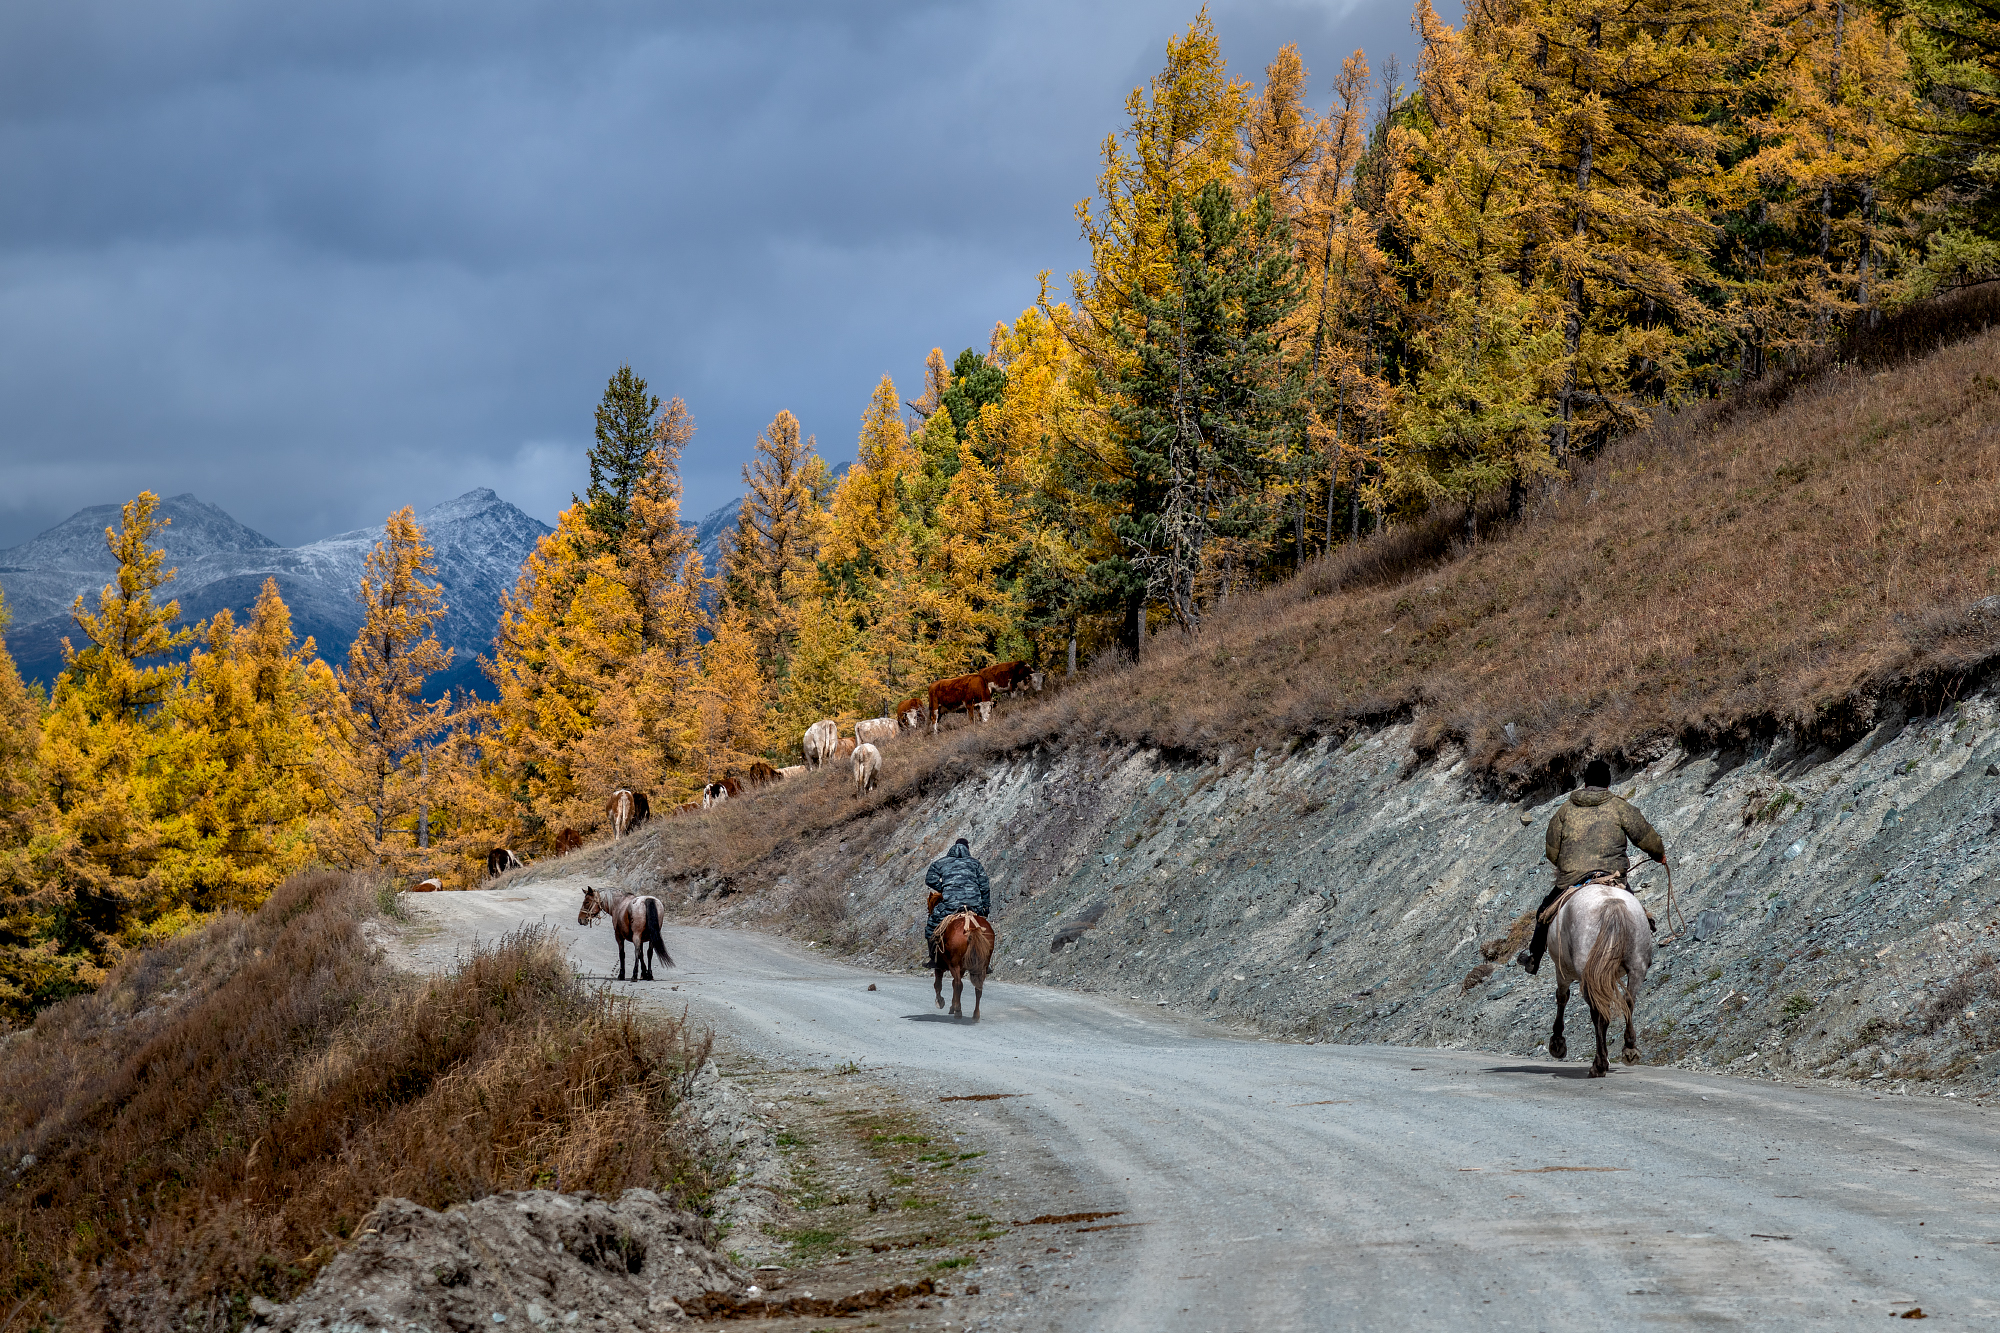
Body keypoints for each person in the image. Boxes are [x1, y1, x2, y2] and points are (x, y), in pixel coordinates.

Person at [1518, 758, 1666, 975]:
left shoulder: (1565, 811)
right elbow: (1645, 836)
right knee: (1637, 911)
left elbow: (1552, 852)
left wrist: (1567, 865)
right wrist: (1658, 854)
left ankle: (1534, 958)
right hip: (1612, 875)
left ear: (1585, 783)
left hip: (1571, 879)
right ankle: (1642, 956)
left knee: (1543, 913)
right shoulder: (1620, 806)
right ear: (1608, 784)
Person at [923, 837, 991, 969]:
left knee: (931, 925)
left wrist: (944, 887)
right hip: (974, 904)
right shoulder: (975, 863)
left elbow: (929, 879)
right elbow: (984, 886)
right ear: (968, 849)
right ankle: (986, 963)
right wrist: (985, 907)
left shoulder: (942, 862)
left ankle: (933, 959)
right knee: (985, 929)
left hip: (951, 904)